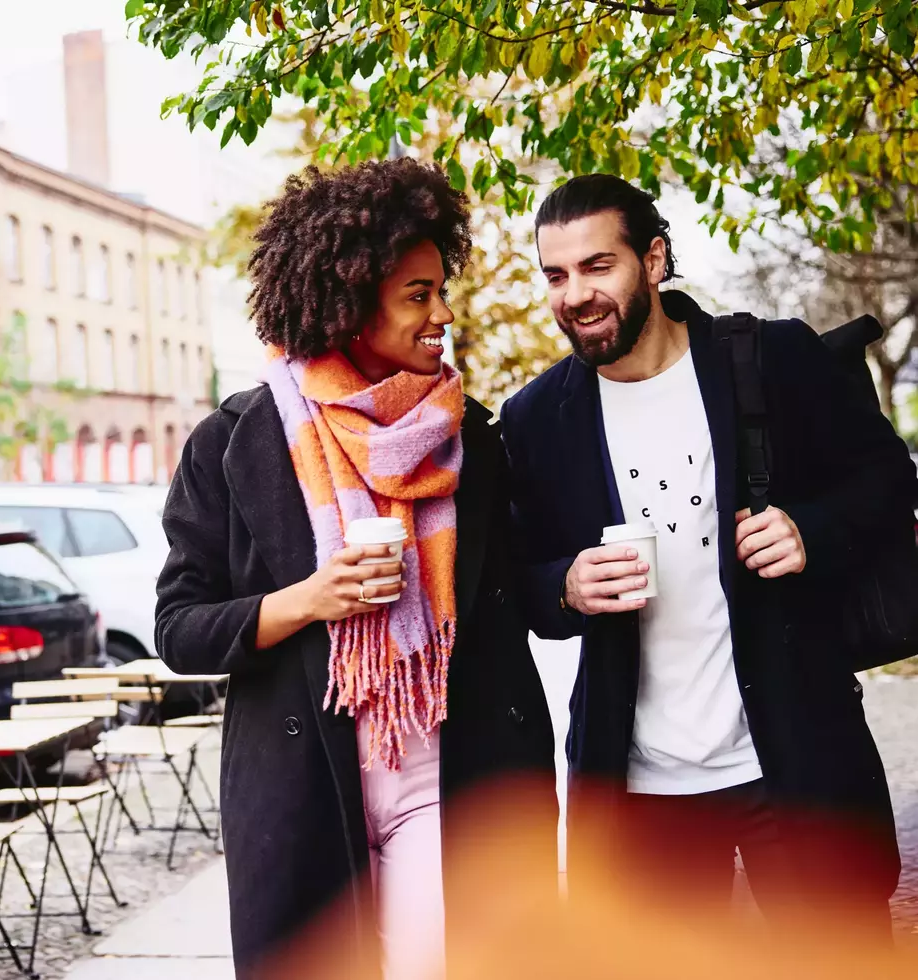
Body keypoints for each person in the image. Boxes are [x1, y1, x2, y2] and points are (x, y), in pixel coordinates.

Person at [155, 159, 558, 979]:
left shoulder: (468, 440)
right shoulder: (236, 441)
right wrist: (307, 600)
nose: (441, 314)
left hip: (447, 780)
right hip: (303, 788)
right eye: (418, 295)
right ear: (347, 302)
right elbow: (178, 630)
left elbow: (523, 587)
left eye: (441, 289)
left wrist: (575, 583)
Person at [500, 173, 911, 936]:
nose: (573, 295)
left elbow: (887, 479)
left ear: (652, 262)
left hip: (793, 761)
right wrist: (565, 586)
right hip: (638, 789)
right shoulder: (534, 420)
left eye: (598, 266)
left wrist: (807, 531)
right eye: (555, 275)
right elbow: (517, 585)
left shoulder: (770, 359)